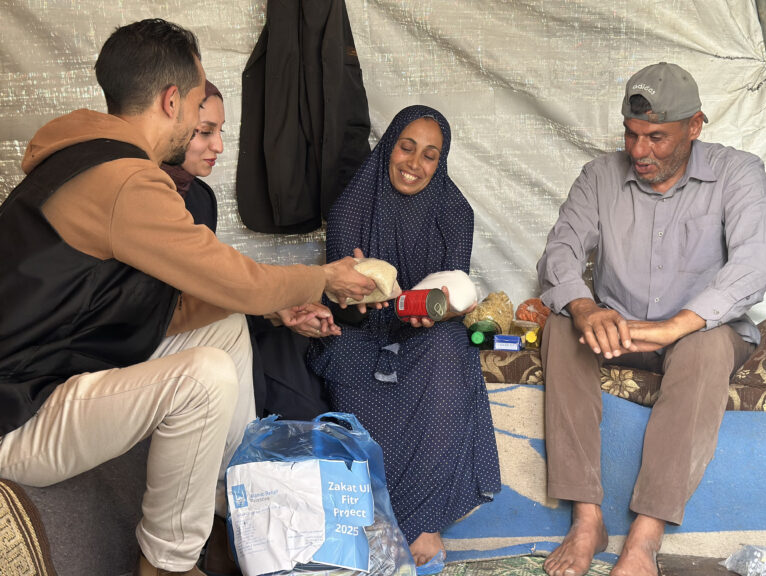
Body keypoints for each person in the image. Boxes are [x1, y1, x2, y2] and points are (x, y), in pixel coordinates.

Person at [0, 19, 374, 576]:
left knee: (225, 325)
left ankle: (234, 501)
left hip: (53, 374)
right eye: (200, 105)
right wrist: (322, 279)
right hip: (18, 415)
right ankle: (167, 565)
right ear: (172, 100)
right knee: (205, 378)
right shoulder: (124, 181)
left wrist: (270, 304)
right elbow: (232, 276)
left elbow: (165, 304)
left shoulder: (89, 159)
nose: (206, 126)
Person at [537, 62, 766, 576]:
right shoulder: (600, 175)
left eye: (657, 138)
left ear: (696, 125)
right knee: (559, 324)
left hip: (703, 331)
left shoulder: (738, 172)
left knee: (704, 347)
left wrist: (678, 324)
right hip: (623, 330)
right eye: (632, 135)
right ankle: (586, 518)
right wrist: (584, 307)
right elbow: (560, 253)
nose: (640, 152)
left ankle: (644, 539)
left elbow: (755, 264)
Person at [308, 105, 501, 570]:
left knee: (451, 350)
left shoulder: (454, 212)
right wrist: (356, 295)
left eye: (430, 155)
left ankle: (426, 524)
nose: (415, 164)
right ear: (389, 146)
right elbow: (338, 304)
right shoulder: (352, 204)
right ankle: (380, 519)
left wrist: (443, 311)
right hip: (358, 331)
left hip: (422, 333)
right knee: (347, 362)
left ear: (442, 162)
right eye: (407, 148)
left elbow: (453, 283)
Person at [161, 80, 337, 425]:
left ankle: (283, 443)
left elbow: (210, 280)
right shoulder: (141, 194)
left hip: (200, 318)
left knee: (287, 345)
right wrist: (274, 300)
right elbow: (183, 298)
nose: (220, 146)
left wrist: (276, 307)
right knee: (235, 327)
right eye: (205, 131)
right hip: (156, 336)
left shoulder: (198, 197)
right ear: (172, 122)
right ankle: (242, 450)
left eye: (220, 131)